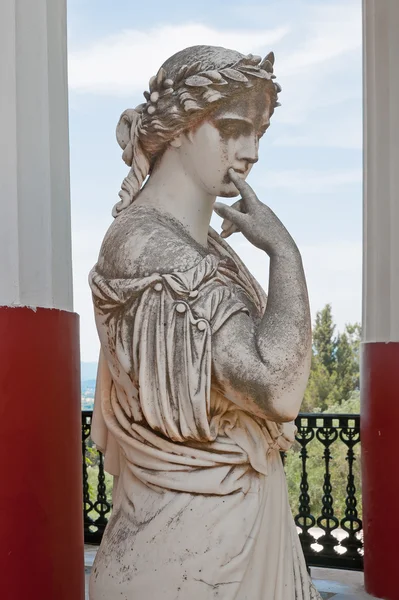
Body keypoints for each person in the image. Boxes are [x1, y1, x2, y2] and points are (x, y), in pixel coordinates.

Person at [89, 45, 320, 599]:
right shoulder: (147, 247)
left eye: (260, 132)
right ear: (180, 126)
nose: (251, 151)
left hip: (229, 533)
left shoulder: (204, 248)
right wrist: (285, 253)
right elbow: (277, 388)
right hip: (185, 554)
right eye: (234, 127)